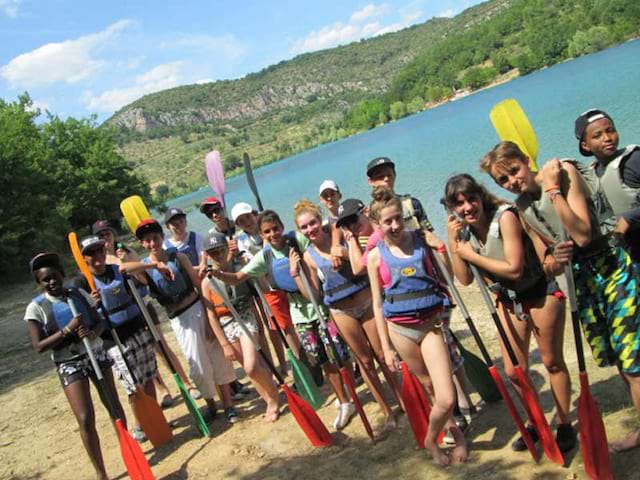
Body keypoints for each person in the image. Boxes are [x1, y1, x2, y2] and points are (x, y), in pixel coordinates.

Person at [481, 140, 640, 452]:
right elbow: (548, 262)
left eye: (514, 171)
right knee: (621, 363)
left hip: (614, 269)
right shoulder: (524, 208)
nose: (513, 182)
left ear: (527, 160)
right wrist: (557, 258)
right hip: (582, 278)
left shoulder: (564, 173)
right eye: (503, 180)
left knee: (634, 363)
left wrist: (553, 191)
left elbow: (582, 233)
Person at [443, 174, 576, 453]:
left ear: (481, 196)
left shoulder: (505, 217)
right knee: (514, 371)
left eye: (471, 199)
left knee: (551, 362)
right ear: (452, 208)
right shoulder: (464, 232)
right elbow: (464, 279)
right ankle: (536, 422)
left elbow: (514, 268)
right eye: (459, 203)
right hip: (509, 300)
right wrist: (454, 243)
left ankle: (564, 424)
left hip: (540, 293)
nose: (467, 207)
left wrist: (470, 255)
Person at [209, 209, 357, 430]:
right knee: (322, 358)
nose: (273, 234)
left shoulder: (297, 239)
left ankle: (351, 394)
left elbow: (332, 225)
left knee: (340, 353)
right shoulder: (264, 256)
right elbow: (238, 278)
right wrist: (218, 274)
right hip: (299, 311)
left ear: (282, 226)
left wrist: (336, 249)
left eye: (276, 229)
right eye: (267, 232)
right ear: (261, 234)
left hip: (322, 304)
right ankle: (344, 401)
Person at [366, 187, 467, 466]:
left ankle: (429, 439)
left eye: (398, 218)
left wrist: (442, 247)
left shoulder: (421, 241)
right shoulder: (375, 257)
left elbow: (448, 279)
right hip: (401, 332)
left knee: (446, 399)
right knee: (431, 390)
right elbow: (377, 304)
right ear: (377, 225)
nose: (395, 226)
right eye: (387, 222)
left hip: (431, 326)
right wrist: (386, 348)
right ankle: (455, 437)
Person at [120, 219, 239, 424]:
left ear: (162, 238)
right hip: (179, 320)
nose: (152, 243)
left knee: (216, 358)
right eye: (147, 241)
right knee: (198, 366)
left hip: (198, 310)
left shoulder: (179, 256)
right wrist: (154, 264)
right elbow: (123, 269)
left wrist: (212, 321)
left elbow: (198, 285)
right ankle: (211, 405)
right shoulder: (145, 270)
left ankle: (228, 404)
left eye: (155, 238)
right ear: (142, 244)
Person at [293, 199, 399, 430]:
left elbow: (361, 255)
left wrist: (342, 248)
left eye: (313, 223)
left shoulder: (341, 234)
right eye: (304, 227)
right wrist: (296, 275)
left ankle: (403, 398)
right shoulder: (309, 256)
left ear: (320, 221)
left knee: (382, 354)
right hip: (341, 310)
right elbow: (313, 293)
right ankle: (386, 410)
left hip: (366, 300)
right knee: (365, 362)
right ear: (300, 231)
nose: (310, 229)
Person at [25, 253, 125, 480]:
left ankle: (128, 450)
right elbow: (38, 346)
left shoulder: (78, 294)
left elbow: (99, 322)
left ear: (61, 274)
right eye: (45, 280)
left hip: (95, 353)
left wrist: (92, 333)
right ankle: (101, 473)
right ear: (39, 283)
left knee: (113, 405)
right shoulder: (36, 308)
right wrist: (67, 330)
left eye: (54, 276)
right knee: (84, 417)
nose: (52, 282)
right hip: (68, 363)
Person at [91, 219, 198, 409]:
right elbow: (116, 271)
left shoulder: (126, 251)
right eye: (101, 236)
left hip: (142, 305)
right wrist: (119, 261)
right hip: (124, 316)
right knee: (143, 354)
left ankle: (187, 384)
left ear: (113, 234)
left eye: (107, 233)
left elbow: (141, 270)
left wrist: (125, 258)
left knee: (160, 346)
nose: (105, 238)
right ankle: (163, 389)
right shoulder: (100, 260)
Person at [77, 235, 161, 443]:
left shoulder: (117, 270)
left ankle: (155, 415)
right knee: (132, 385)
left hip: (137, 329)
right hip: (114, 339)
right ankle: (140, 424)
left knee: (149, 375)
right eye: (91, 253)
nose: (97, 256)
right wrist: (90, 304)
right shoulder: (82, 284)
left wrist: (155, 264)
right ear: (84, 258)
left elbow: (134, 268)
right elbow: (80, 318)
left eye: (99, 251)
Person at [201, 231, 281, 422]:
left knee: (252, 366)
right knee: (248, 370)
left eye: (220, 251)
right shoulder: (206, 282)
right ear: (207, 255)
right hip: (226, 324)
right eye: (212, 253)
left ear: (225, 249)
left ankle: (274, 396)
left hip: (245, 318)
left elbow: (255, 295)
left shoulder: (239, 269)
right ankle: (269, 399)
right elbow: (211, 315)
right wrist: (224, 344)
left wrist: (261, 325)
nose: (217, 256)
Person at [231, 202, 289, 375]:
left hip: (280, 282)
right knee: (270, 327)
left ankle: (287, 360)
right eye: (241, 221)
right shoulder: (240, 241)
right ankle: (275, 365)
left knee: (282, 325)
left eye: (248, 217)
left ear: (255, 214)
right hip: (261, 288)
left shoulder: (268, 229)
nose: (247, 222)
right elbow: (255, 262)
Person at [575, 109, 640, 261]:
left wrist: (629, 218)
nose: (607, 138)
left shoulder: (634, 159)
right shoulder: (591, 176)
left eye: (610, 131)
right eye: (597, 135)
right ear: (585, 146)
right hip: (628, 255)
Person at [366, 156, 433, 231]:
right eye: (380, 176)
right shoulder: (369, 215)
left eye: (389, 175)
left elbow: (428, 232)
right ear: (370, 181)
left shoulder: (412, 204)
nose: (386, 179)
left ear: (394, 175)